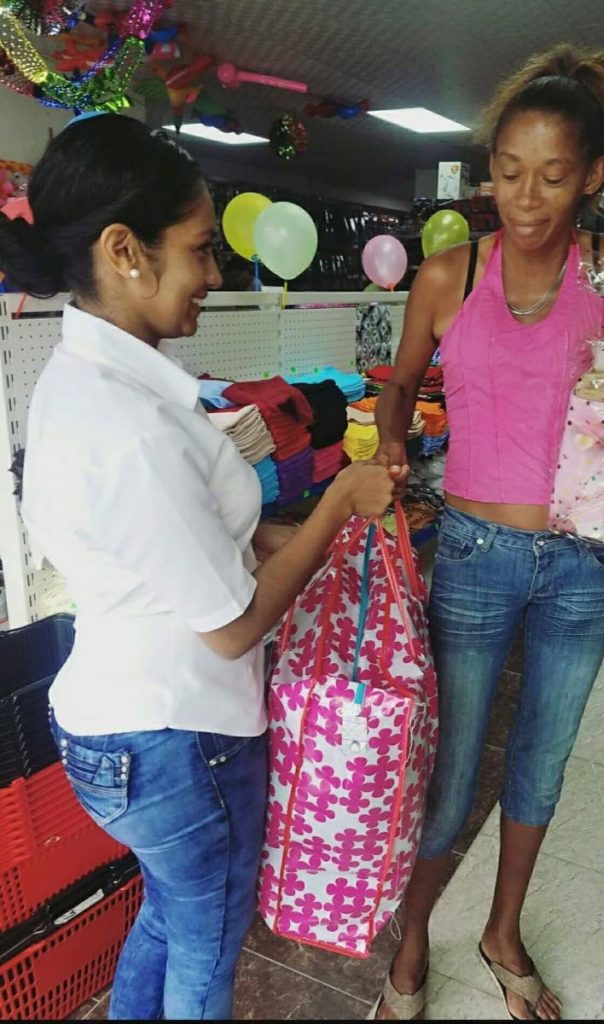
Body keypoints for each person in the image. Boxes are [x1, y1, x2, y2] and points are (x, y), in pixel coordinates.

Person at [0, 113, 393, 1021]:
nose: (217, 275)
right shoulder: (130, 426)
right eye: (201, 250)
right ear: (123, 250)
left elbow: (173, 547)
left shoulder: (87, 382)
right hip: (178, 742)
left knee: (173, 922)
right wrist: (334, 505)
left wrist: (275, 536)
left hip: (116, 728)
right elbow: (230, 628)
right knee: (206, 954)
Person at [372, 44, 604, 1021]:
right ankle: (413, 939)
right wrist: (387, 450)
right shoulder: (446, 274)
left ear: (592, 173)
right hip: (472, 554)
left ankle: (502, 931)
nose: (525, 196)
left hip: (590, 563)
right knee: (454, 764)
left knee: (542, 758)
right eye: (508, 172)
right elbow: (395, 391)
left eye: (553, 174)